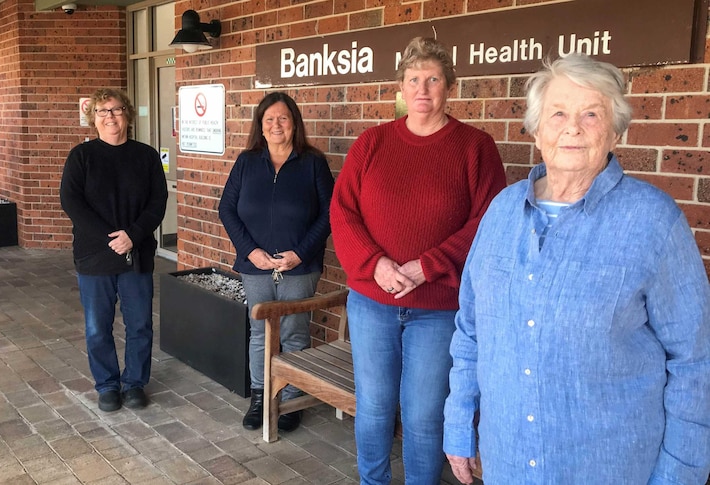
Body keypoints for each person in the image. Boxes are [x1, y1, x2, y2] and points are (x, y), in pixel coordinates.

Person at [443, 54, 710, 485]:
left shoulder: (653, 221)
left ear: (616, 130)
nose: (573, 127)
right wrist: (458, 425)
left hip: (610, 468)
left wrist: (680, 474)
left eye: (591, 113)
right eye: (559, 113)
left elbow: (696, 360)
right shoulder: (501, 213)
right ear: (535, 128)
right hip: (506, 460)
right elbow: (471, 330)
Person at [330, 37, 506, 484]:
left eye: (433, 79)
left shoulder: (475, 147)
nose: (422, 88)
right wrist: (378, 265)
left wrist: (425, 266)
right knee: (372, 406)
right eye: (413, 79)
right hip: (372, 301)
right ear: (401, 89)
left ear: (449, 86)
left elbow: (489, 222)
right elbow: (343, 210)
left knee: (425, 414)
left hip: (438, 308)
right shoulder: (373, 142)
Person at [218, 92, 334, 433]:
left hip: (298, 266)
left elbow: (330, 213)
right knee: (259, 332)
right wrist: (250, 250)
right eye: (269, 119)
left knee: (295, 332)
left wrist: (301, 252)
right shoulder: (247, 161)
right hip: (256, 265)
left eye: (282, 118)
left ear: (294, 122)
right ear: (260, 126)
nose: (276, 124)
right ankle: (260, 395)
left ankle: (292, 399)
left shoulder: (312, 162)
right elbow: (227, 208)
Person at [60, 88, 167, 413]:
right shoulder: (82, 156)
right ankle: (107, 385)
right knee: (98, 327)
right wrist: (111, 238)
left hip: (137, 254)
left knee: (139, 325)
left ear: (128, 115)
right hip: (95, 256)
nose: (110, 116)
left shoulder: (146, 156)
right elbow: (71, 202)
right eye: (103, 111)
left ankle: (134, 383)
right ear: (93, 118)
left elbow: (158, 201)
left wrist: (133, 235)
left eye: (117, 110)